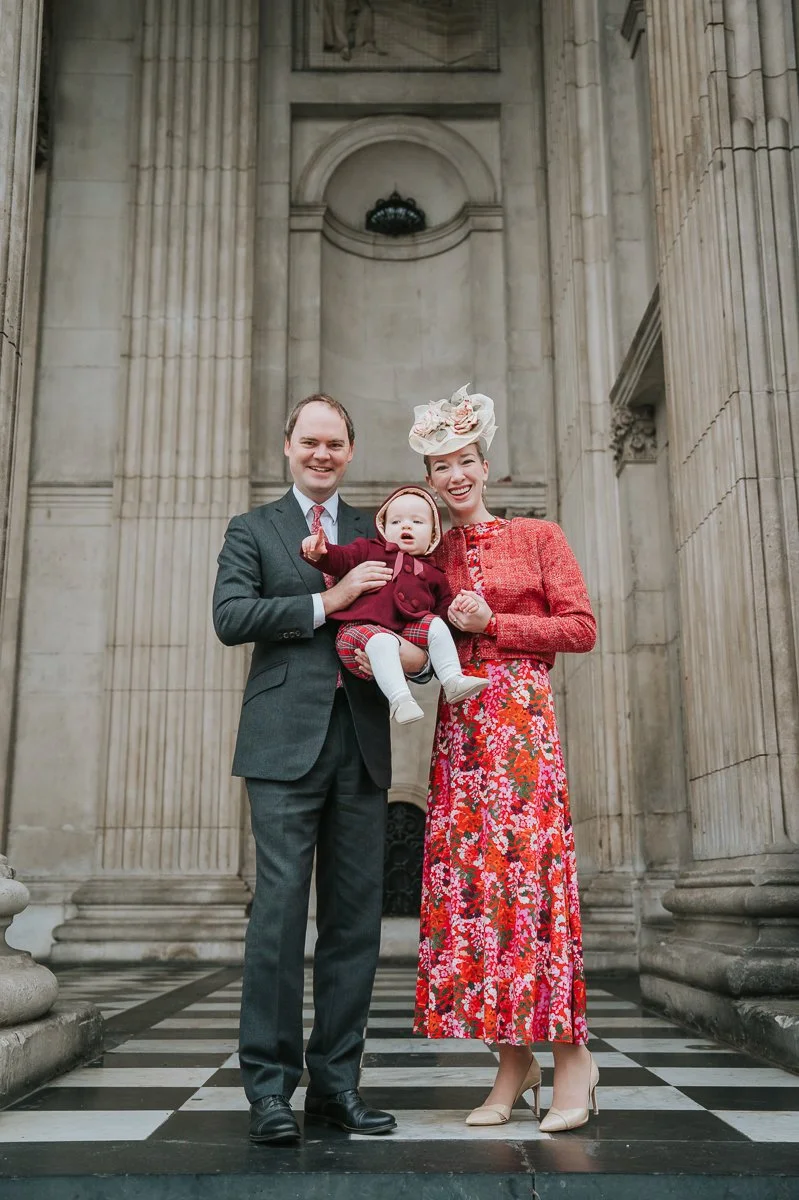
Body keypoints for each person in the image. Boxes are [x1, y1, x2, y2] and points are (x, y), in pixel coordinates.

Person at [212, 393, 429, 1146]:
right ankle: (269, 1090)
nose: (322, 454)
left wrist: (417, 658)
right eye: (310, 442)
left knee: (353, 924)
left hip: (362, 741)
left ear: (349, 451)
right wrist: (326, 598)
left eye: (334, 444)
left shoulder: (381, 529)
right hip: (280, 741)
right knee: (276, 918)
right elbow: (230, 617)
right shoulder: (253, 530)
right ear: (287, 447)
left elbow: (411, 615)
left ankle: (336, 1086)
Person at [409, 384, 600, 1133]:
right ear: (427, 480)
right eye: (439, 465)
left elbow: (581, 628)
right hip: (461, 737)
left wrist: (496, 622)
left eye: (463, 460)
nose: (453, 475)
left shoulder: (538, 536)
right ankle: (510, 1063)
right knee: (473, 898)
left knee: (532, 885)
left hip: (521, 728)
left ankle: (571, 1057)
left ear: (484, 465)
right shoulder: (428, 550)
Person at [301, 484, 489, 724]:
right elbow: (342, 559)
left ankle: (452, 679)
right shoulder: (369, 549)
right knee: (381, 640)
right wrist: (322, 553)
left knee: (434, 625)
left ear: (433, 534)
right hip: (356, 632)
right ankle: (401, 700)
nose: (406, 526)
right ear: (383, 527)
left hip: (402, 633)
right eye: (397, 522)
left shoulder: (434, 574)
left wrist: (459, 610)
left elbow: (444, 614)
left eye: (417, 522)